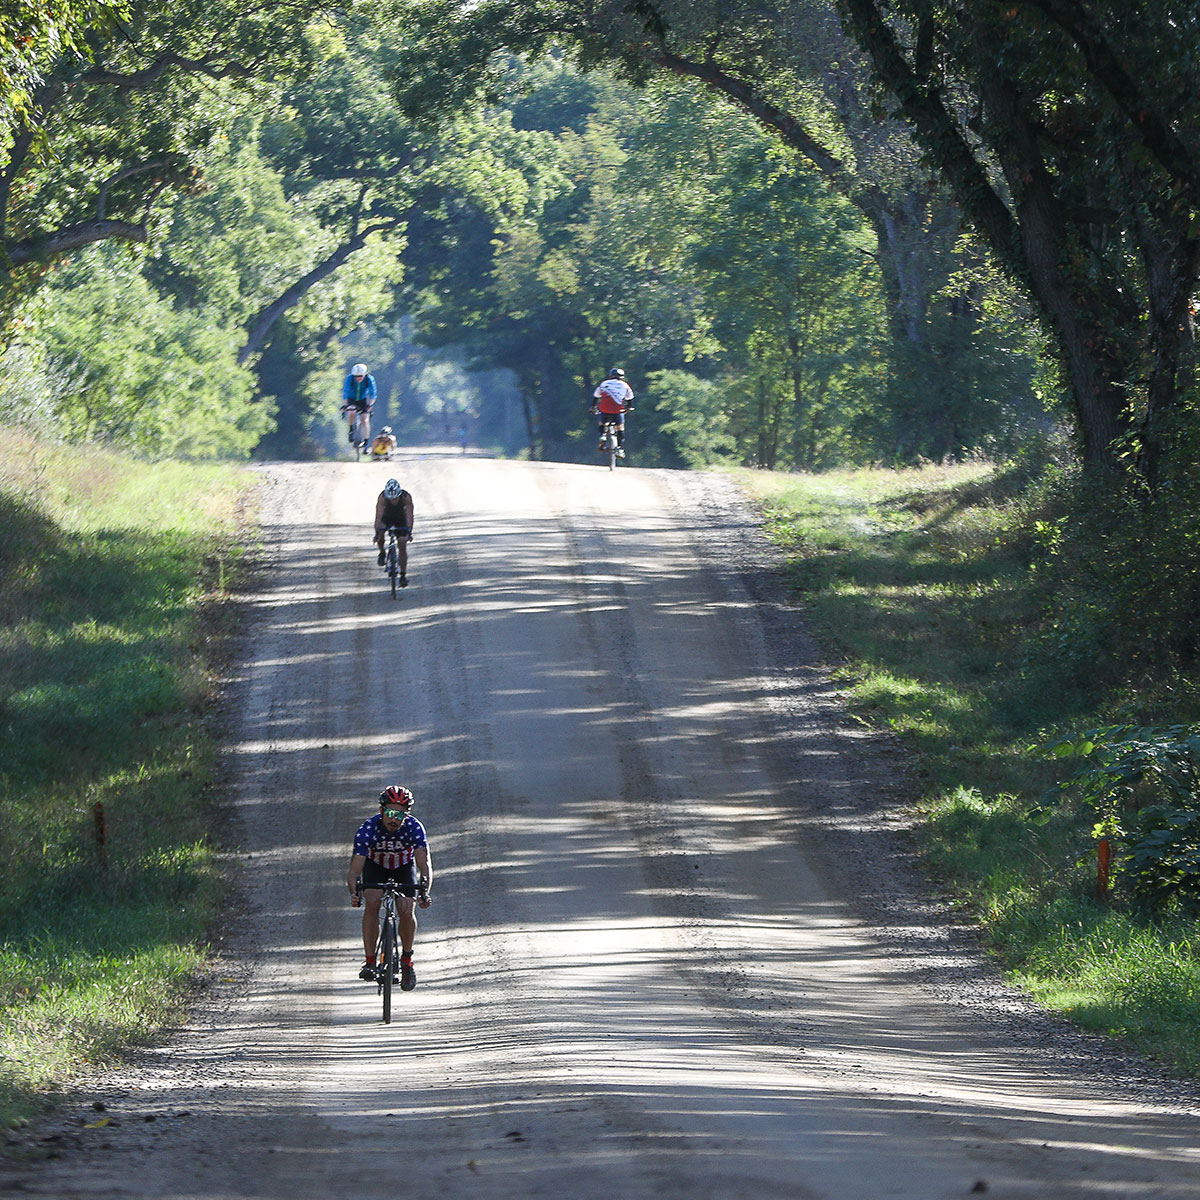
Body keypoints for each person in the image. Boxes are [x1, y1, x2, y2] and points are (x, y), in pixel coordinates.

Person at [346, 785, 433, 991]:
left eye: (400, 814)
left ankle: (407, 962)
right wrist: (354, 893)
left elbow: (424, 864)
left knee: (406, 908)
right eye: (390, 813)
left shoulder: (414, 828)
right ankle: (369, 961)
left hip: (403, 867)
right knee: (373, 902)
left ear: (407, 814)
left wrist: (425, 891)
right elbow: (354, 870)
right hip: (375, 867)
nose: (394, 819)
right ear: (381, 811)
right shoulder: (368, 829)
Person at [374, 477, 414, 583]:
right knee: (380, 533)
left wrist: (409, 531)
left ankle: (403, 575)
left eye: (395, 498)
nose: (393, 500)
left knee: (402, 543)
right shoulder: (382, 497)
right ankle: (382, 552)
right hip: (386, 518)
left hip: (401, 520)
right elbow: (379, 516)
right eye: (391, 499)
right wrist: (377, 532)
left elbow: (409, 516)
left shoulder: (406, 497)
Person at [590, 367, 634, 456]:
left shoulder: (604, 383)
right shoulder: (625, 385)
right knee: (620, 428)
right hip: (617, 410)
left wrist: (593, 407)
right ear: (622, 377)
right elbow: (629, 398)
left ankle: (602, 436)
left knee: (602, 423)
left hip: (604, 409)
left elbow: (596, 396)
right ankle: (619, 448)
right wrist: (628, 408)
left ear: (610, 376)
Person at [341, 363, 377, 450]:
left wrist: (370, 404)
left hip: (363, 400)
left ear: (365, 374)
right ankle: (351, 429)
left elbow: (373, 393)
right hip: (351, 399)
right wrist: (345, 406)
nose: (358, 378)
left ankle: (366, 442)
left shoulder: (369, 379)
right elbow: (346, 392)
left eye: (360, 376)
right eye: (356, 376)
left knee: (364, 419)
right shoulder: (349, 379)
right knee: (351, 412)